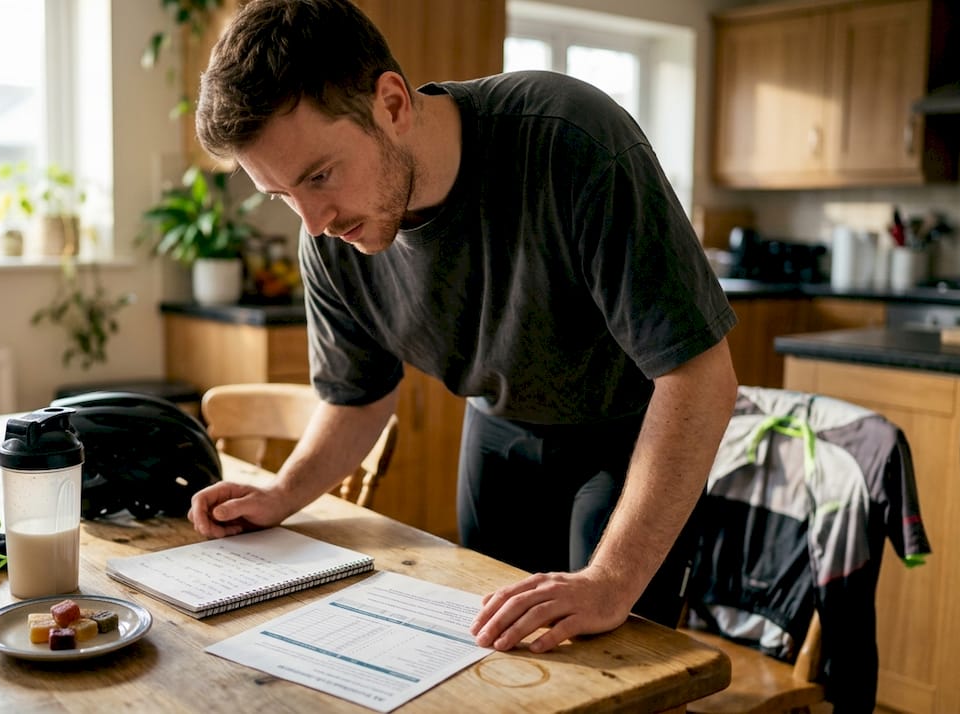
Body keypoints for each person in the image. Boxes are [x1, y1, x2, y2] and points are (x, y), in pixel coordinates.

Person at [186, 0, 739, 653]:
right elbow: (357, 398)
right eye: (283, 195)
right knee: (489, 653)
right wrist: (282, 492)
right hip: (499, 429)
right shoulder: (331, 240)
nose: (313, 221)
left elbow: (700, 379)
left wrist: (611, 580)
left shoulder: (571, 140)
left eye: (320, 176)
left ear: (392, 104)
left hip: (631, 433)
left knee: (614, 660)